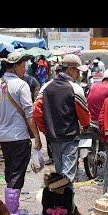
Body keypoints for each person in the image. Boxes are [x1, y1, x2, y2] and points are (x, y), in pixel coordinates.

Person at [0, 51, 42, 215]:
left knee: (10, 171)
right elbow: (29, 114)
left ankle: (11, 206)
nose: (25, 69)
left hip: (3, 138)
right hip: (19, 137)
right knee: (17, 173)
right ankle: (11, 210)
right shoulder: (21, 85)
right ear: (15, 66)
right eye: (23, 66)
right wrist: (37, 137)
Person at [33, 54, 90, 183]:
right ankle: (66, 202)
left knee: (59, 175)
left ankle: (59, 201)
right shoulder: (75, 88)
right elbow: (84, 116)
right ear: (70, 70)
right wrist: (85, 126)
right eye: (77, 71)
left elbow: (36, 111)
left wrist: (46, 129)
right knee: (67, 177)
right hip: (69, 138)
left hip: (53, 139)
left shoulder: (46, 87)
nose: (78, 75)